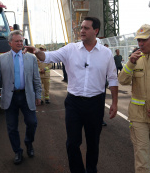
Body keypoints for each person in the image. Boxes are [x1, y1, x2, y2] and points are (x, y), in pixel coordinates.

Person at [24, 17, 118, 173]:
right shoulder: (70, 49)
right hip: (74, 103)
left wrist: (114, 103)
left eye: (86, 28)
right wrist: (37, 51)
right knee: (72, 142)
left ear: (95, 31)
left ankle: (91, 169)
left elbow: (113, 78)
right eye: (81, 27)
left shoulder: (106, 54)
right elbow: (48, 56)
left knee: (93, 142)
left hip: (96, 103)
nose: (81, 30)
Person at [0, 30, 42, 165]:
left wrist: (38, 95)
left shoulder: (31, 58)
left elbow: (36, 78)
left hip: (26, 96)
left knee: (32, 122)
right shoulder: (1, 59)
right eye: (17, 41)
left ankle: (28, 143)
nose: (20, 43)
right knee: (12, 127)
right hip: (10, 98)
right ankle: (17, 151)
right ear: (10, 43)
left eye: (21, 41)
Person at [118, 24, 150, 173]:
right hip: (138, 117)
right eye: (138, 41)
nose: (140, 44)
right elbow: (122, 80)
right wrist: (130, 63)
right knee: (141, 155)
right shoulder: (135, 59)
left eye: (144, 40)